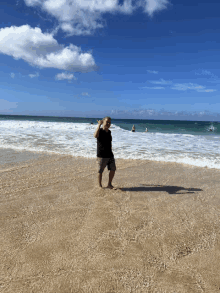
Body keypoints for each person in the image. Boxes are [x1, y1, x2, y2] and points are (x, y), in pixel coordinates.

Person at [94, 116, 116, 189]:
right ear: (103, 122)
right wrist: (99, 125)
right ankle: (100, 186)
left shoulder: (109, 132)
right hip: (101, 155)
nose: (108, 123)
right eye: (107, 122)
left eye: (109, 122)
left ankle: (109, 184)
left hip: (110, 154)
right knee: (100, 171)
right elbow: (95, 135)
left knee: (113, 169)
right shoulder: (100, 130)